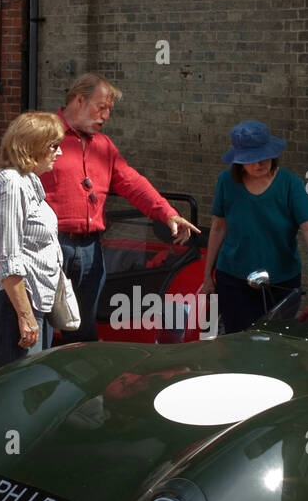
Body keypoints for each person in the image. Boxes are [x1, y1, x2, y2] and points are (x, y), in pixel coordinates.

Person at [40, 73, 201, 341]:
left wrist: (168, 214)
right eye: (100, 107)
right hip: (49, 243)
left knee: (83, 328)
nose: (106, 116)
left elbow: (132, 183)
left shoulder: (103, 146)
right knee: (41, 327)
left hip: (90, 247)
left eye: (109, 110)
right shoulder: (44, 134)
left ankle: (82, 381)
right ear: (79, 100)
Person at [198, 120, 308, 334]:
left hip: (280, 280)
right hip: (234, 277)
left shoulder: (291, 183)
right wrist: (208, 275)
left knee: (275, 337)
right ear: (239, 161)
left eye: (263, 158)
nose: (258, 165)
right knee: (238, 336)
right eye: (251, 160)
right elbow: (218, 228)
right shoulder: (226, 181)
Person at [0, 112, 65, 372]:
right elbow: (8, 257)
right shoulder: (11, 185)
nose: (58, 153)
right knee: (14, 387)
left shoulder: (29, 181)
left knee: (33, 382)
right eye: (53, 146)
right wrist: (25, 316)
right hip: (13, 300)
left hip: (32, 297)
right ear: (32, 145)